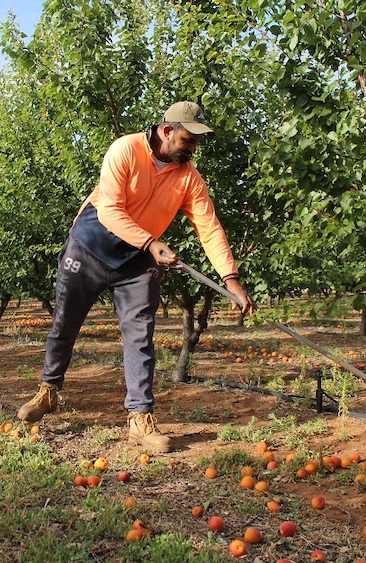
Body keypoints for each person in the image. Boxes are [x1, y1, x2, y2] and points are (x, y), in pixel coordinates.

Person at [17, 101, 253, 453]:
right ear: (167, 131)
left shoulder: (188, 176)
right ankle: (49, 391)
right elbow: (110, 210)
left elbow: (208, 227)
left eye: (197, 143)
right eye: (189, 139)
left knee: (140, 335)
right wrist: (151, 242)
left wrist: (230, 278)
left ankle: (140, 418)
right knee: (64, 323)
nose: (192, 148)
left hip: (137, 261)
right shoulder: (125, 149)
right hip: (90, 246)